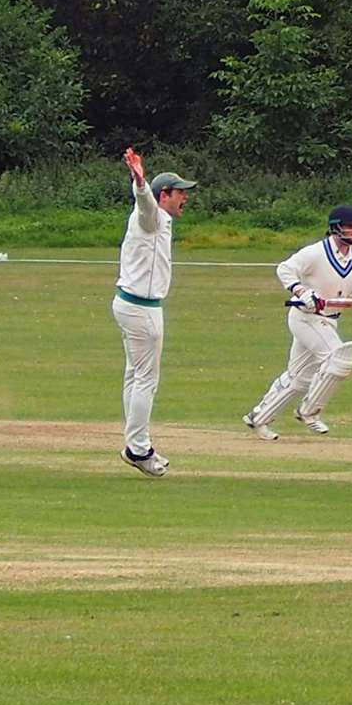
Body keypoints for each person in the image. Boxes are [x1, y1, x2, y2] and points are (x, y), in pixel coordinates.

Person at [242, 205, 352, 439]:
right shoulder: (315, 253)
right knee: (339, 357)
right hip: (305, 317)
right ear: (335, 228)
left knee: (299, 378)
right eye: (348, 227)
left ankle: (258, 418)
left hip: (330, 320)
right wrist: (301, 291)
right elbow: (285, 269)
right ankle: (309, 411)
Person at [112, 148, 196, 477]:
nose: (185, 199)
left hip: (130, 305)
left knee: (135, 375)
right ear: (165, 195)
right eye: (181, 194)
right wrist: (139, 180)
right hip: (142, 309)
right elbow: (145, 203)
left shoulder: (162, 221)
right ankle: (138, 449)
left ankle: (136, 443)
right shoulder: (151, 216)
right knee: (146, 379)